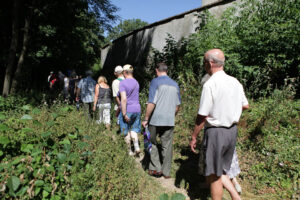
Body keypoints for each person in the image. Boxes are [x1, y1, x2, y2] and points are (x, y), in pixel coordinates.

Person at [189, 49, 249, 200]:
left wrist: (194, 136)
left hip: (216, 132)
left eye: (204, 62)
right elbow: (245, 105)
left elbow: (202, 115)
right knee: (221, 169)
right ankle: (236, 197)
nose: (203, 65)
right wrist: (229, 109)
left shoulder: (210, 84)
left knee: (215, 175)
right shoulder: (235, 81)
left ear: (210, 63)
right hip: (232, 131)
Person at [142, 62, 181, 179]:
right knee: (167, 146)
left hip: (155, 119)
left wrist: (146, 118)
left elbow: (152, 102)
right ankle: (166, 171)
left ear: (156, 70)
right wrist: (171, 115)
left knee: (151, 142)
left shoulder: (155, 82)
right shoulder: (175, 84)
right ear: (167, 71)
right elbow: (177, 105)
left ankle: (155, 169)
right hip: (169, 120)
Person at [118, 64, 141, 156]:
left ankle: (129, 151)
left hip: (128, 109)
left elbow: (123, 99)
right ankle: (137, 147)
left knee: (126, 131)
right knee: (134, 129)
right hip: (137, 109)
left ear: (124, 72)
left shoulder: (122, 83)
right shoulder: (136, 82)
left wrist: (123, 113)